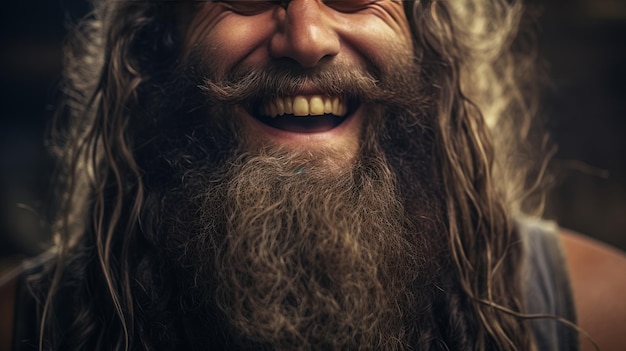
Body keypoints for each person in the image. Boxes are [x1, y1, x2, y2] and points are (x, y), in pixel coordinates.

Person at [1, 0, 625, 350]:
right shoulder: (20, 329)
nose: (305, 38)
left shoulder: (601, 318)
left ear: (426, 38)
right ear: (157, 45)